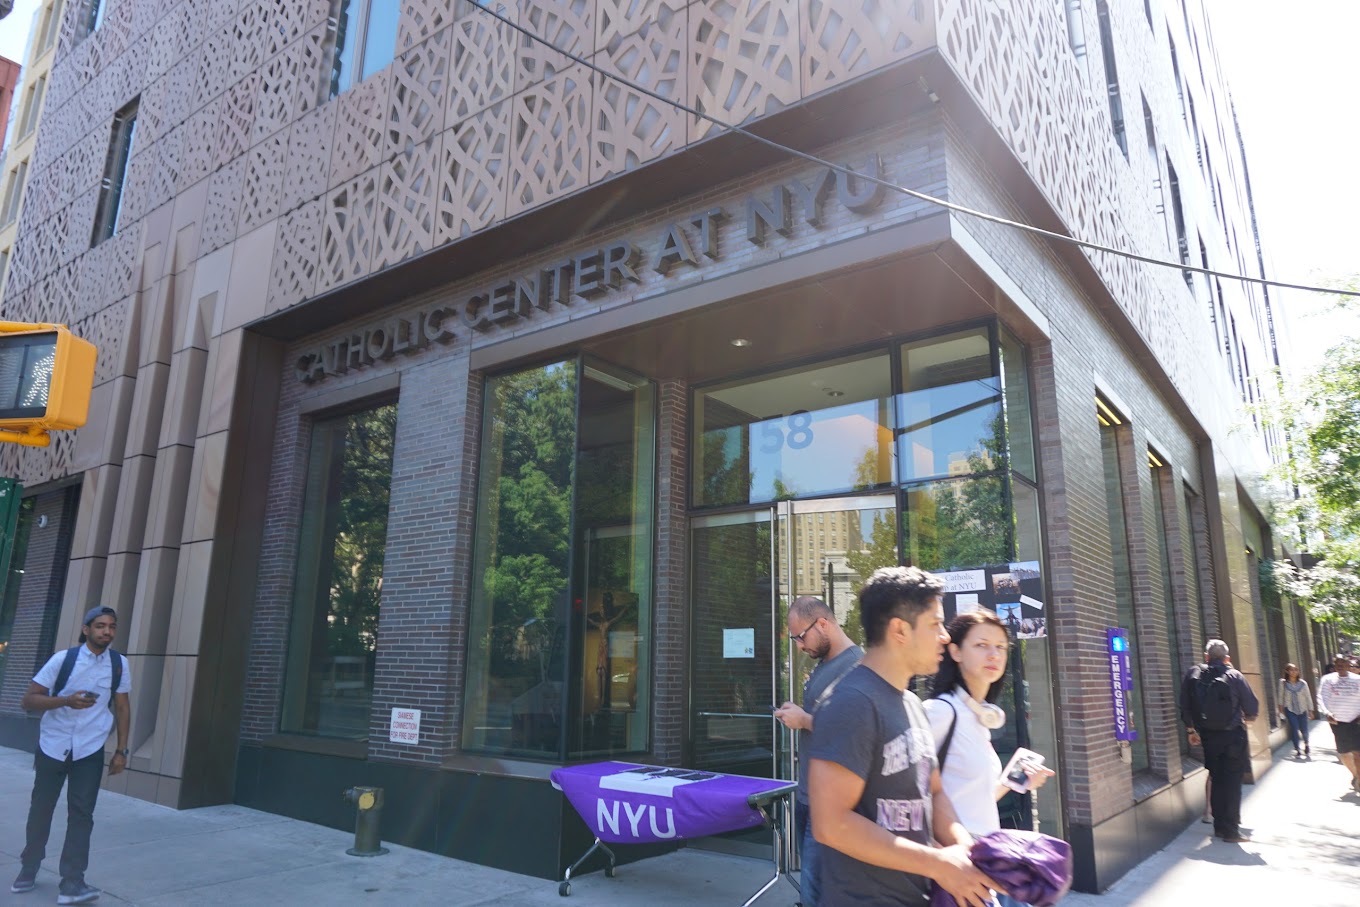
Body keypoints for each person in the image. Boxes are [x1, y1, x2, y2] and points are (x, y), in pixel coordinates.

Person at [807, 566, 1004, 907]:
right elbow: (831, 824)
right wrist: (938, 863)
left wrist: (963, 846)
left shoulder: (912, 703)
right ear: (899, 630)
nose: (944, 636)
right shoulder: (850, 704)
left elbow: (935, 790)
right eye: (934, 624)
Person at [924, 610, 1053, 907]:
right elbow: (905, 798)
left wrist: (1017, 779)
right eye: (981, 645)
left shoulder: (979, 717)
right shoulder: (940, 712)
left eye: (1000, 647)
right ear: (955, 651)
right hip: (958, 867)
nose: (993, 654)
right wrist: (939, 858)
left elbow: (975, 797)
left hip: (988, 859)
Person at [11, 607, 131, 904]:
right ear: (86, 629)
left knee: (82, 815)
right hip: (54, 746)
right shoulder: (63, 660)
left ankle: (72, 882)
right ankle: (28, 869)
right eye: (101, 626)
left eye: (112, 627)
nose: (107, 632)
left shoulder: (119, 664)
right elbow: (29, 700)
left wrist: (121, 750)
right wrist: (66, 700)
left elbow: (123, 707)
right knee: (42, 809)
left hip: (90, 750)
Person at [775, 597, 863, 907]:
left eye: (801, 636)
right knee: (811, 889)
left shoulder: (857, 666)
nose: (799, 646)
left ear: (823, 624)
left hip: (829, 804)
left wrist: (806, 719)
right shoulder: (825, 664)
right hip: (806, 795)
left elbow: (857, 732)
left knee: (816, 894)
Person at [1180, 639, 1258, 843]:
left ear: (1206, 656)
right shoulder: (1234, 675)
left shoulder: (1193, 674)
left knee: (1216, 778)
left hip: (1208, 736)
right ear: (1227, 658)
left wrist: (1190, 730)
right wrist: (1247, 719)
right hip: (1233, 735)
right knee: (1232, 782)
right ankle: (1231, 830)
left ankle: (1219, 826)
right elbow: (1252, 706)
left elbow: (1185, 705)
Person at [1316, 653, 1360, 794]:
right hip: (1337, 722)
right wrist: (1327, 712)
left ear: (1348, 665)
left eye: (1343, 664)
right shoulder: (1327, 680)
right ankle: (1355, 775)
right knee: (1344, 753)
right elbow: (1322, 697)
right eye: (1337, 664)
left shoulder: (1357, 680)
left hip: (1357, 720)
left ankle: (1359, 779)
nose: (1340, 666)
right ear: (1334, 666)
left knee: (1358, 752)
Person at [1278, 663, 1314, 758]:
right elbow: (1280, 695)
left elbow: (1308, 697)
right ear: (1287, 671)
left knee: (1304, 729)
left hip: (1302, 709)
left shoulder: (1303, 683)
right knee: (1294, 727)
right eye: (1291, 670)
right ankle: (1297, 749)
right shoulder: (1283, 683)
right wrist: (1280, 708)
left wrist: (1310, 710)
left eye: (1296, 670)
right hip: (1290, 709)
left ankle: (1306, 744)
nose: (1294, 672)